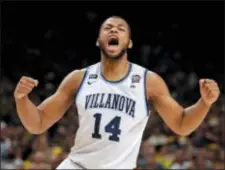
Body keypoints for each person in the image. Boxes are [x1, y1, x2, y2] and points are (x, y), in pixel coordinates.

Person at [14, 16, 220, 169]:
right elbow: (37, 123)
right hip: (77, 165)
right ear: (98, 40)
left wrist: (205, 102)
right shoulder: (78, 78)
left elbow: (182, 124)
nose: (114, 31)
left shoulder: (148, 82)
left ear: (129, 43)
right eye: (108, 28)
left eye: (121, 29)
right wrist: (22, 99)